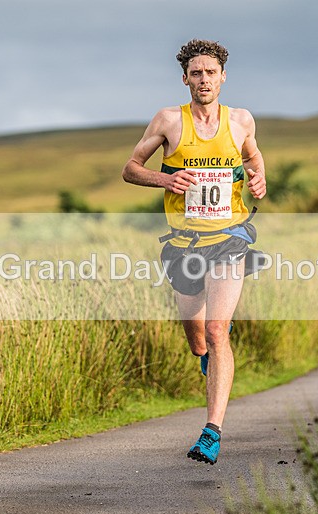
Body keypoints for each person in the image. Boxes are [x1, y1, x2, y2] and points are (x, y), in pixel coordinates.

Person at [122, 39, 266, 465]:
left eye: (211, 73)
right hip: (183, 244)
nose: (204, 80)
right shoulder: (168, 121)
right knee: (197, 334)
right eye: (196, 73)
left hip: (230, 237)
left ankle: (211, 431)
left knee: (219, 329)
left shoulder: (240, 120)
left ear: (223, 77)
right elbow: (130, 169)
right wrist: (165, 180)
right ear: (185, 78)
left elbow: (254, 159)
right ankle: (205, 358)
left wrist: (259, 181)